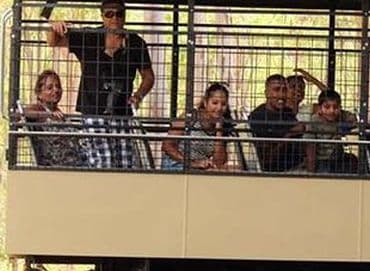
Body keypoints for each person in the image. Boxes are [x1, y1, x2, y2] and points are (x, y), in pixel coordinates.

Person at [47, 0, 154, 169]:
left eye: (119, 14)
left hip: (122, 111)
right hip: (92, 110)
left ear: (124, 16)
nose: (115, 18)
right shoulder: (89, 37)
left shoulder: (135, 42)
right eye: (109, 14)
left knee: (125, 163)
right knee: (104, 162)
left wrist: (138, 95)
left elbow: (148, 76)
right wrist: (55, 27)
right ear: (102, 17)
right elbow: (54, 42)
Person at [20, 70, 88, 167]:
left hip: (77, 161)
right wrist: (47, 115)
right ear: (39, 93)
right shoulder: (38, 109)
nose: (55, 90)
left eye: (58, 87)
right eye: (49, 88)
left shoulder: (59, 113)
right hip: (58, 165)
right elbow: (20, 113)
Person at [161, 82, 233, 171]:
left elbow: (219, 163)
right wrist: (193, 163)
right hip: (176, 164)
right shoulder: (191, 117)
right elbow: (167, 146)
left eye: (223, 104)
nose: (219, 108)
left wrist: (219, 130)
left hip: (199, 168)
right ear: (206, 103)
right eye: (214, 103)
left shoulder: (223, 126)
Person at [248, 74, 304, 171]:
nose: (281, 95)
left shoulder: (287, 113)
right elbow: (266, 159)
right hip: (275, 172)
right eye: (277, 90)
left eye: (284, 90)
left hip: (298, 166)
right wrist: (289, 135)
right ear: (267, 93)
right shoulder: (258, 117)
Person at [304, 89, 358, 174]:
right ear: (320, 108)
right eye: (327, 107)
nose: (331, 111)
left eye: (335, 107)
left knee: (353, 160)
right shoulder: (314, 122)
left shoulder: (341, 116)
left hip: (338, 157)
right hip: (322, 159)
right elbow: (310, 147)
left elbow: (353, 119)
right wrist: (311, 170)